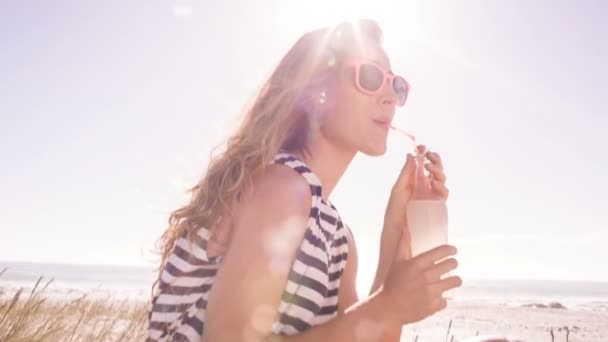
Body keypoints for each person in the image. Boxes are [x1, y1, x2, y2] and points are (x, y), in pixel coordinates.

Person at [147, 19, 462, 342]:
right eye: (371, 76)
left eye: (397, 86)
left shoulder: (337, 236)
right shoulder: (281, 189)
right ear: (317, 91)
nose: (391, 99)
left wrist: (396, 228)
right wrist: (385, 307)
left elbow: (370, 335)